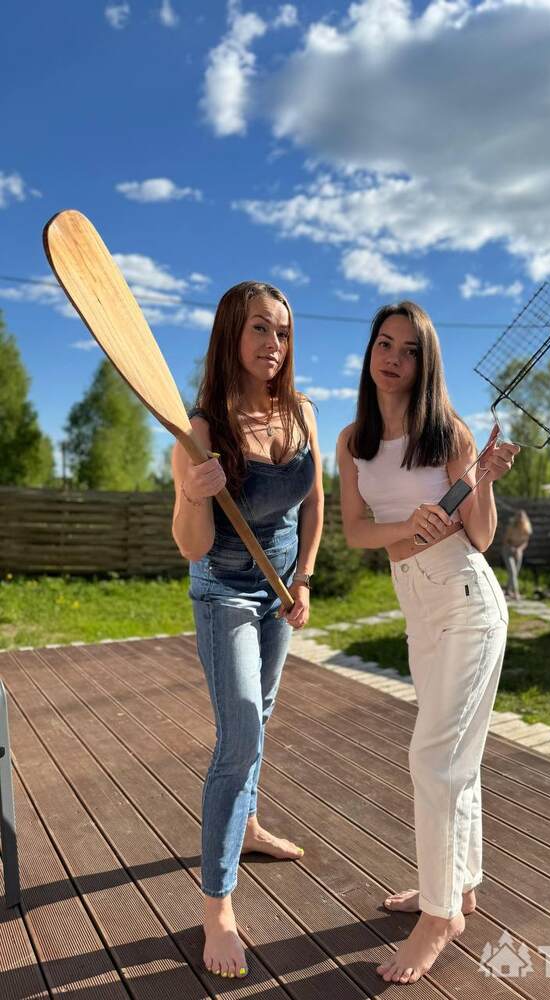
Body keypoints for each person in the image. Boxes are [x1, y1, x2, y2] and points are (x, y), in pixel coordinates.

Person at [336, 301, 519, 984]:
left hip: (468, 600)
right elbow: (357, 531)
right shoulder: (352, 440)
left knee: (434, 757)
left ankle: (439, 918)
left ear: (425, 362)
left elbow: (481, 536)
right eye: (385, 343)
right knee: (454, 757)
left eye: (410, 349)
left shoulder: (449, 434)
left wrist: (484, 481)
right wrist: (407, 526)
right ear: (371, 351)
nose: (394, 358)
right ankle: (458, 887)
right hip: (416, 603)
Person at [171, 281, 324, 980]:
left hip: (281, 592)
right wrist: (191, 492)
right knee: (239, 737)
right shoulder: (201, 430)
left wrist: (305, 579)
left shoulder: (302, 412)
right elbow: (192, 544)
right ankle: (218, 906)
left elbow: (314, 505)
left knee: (259, 715)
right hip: (225, 590)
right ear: (231, 333)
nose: (274, 344)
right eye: (261, 328)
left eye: (283, 332)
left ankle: (250, 825)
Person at [501, 509, 533, 600]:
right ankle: (516, 593)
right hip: (508, 551)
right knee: (513, 572)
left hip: (518, 552)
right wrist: (512, 548)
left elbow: (525, 542)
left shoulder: (527, 528)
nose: (520, 519)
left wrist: (519, 549)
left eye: (521, 517)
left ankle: (508, 590)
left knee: (515, 573)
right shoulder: (511, 527)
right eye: (518, 517)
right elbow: (505, 541)